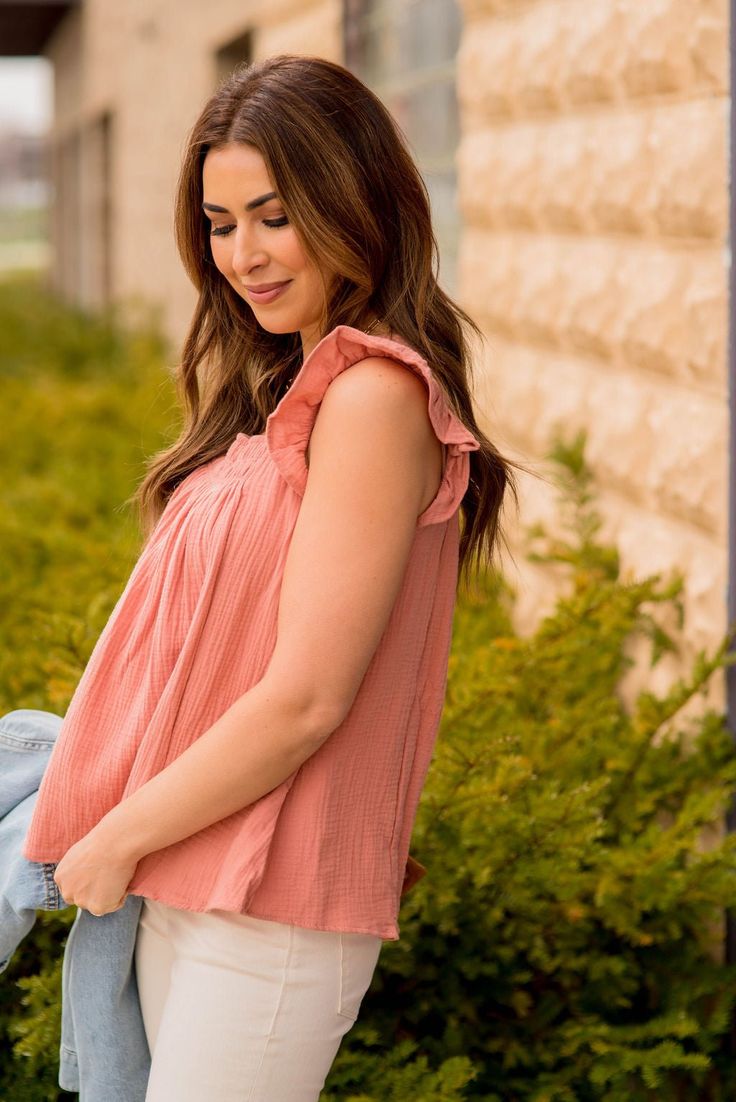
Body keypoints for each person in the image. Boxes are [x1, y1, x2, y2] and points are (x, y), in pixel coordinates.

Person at [22, 53, 521, 1101]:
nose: (242, 254)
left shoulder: (377, 395)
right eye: (218, 222)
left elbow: (305, 698)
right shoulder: (287, 383)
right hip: (191, 870)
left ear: (355, 203)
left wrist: (117, 835)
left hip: (272, 905)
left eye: (274, 215)